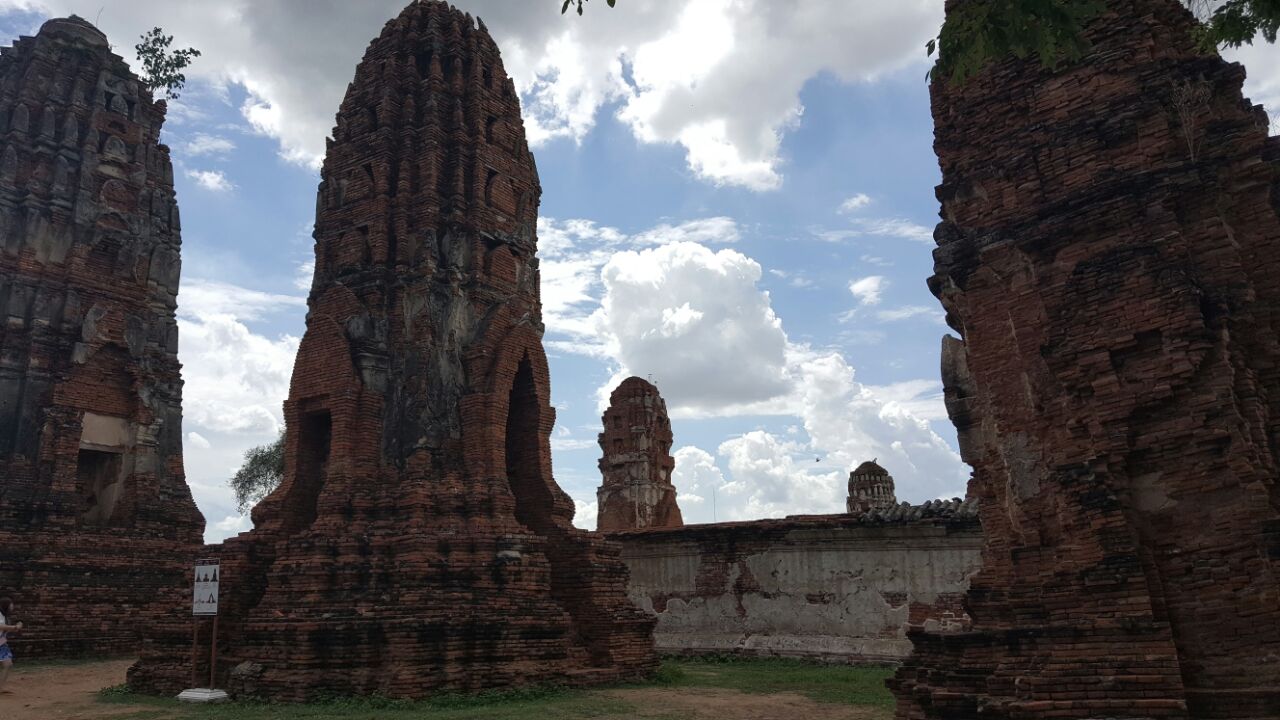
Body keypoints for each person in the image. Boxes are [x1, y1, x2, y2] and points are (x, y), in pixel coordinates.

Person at [0, 597, 22, 694]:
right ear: (6, 605)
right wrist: (15, 627)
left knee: (7, 664)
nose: (12, 606)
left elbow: (4, 629)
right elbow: (0, 626)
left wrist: (16, 627)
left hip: (2, 643)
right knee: (7, 664)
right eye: (11, 604)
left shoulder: (4, 616)